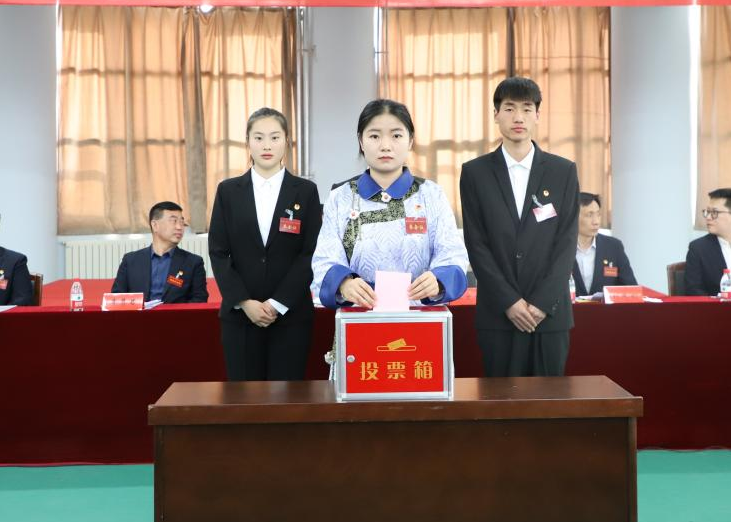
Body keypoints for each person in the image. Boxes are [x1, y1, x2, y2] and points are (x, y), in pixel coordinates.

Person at [460, 76, 580, 377]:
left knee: (548, 401)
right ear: (496, 114)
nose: (518, 117)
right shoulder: (475, 173)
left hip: (549, 316)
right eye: (510, 108)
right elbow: (476, 244)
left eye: (527, 109)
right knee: (501, 400)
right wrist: (509, 302)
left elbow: (566, 242)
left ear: (537, 115)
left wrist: (541, 303)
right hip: (498, 316)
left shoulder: (562, 171)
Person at [311, 99, 468, 310]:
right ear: (361, 141)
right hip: (359, 315)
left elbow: (453, 254)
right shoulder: (340, 198)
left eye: (396, 136)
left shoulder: (431, 195)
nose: (385, 146)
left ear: (410, 141)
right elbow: (324, 260)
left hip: (420, 316)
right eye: (374, 136)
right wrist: (344, 283)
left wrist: (438, 280)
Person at [208, 108, 323, 381]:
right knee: (244, 398)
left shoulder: (305, 191)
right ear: (248, 143)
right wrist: (244, 302)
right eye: (258, 138)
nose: (267, 145)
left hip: (291, 316)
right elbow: (219, 251)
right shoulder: (228, 191)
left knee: (286, 397)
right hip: (240, 317)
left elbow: (311, 252)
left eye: (274, 137)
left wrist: (277, 303)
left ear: (287, 142)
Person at [111, 201, 208, 303]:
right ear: (155, 225)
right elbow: (116, 299)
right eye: (174, 221)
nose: (179, 227)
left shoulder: (193, 262)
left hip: (176, 313)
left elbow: (199, 300)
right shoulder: (130, 261)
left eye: (182, 222)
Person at [573, 192, 637, 297]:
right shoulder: (560, 248)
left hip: (605, 307)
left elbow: (631, 289)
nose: (596, 222)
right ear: (573, 217)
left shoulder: (613, 247)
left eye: (598, 214)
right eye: (589, 215)